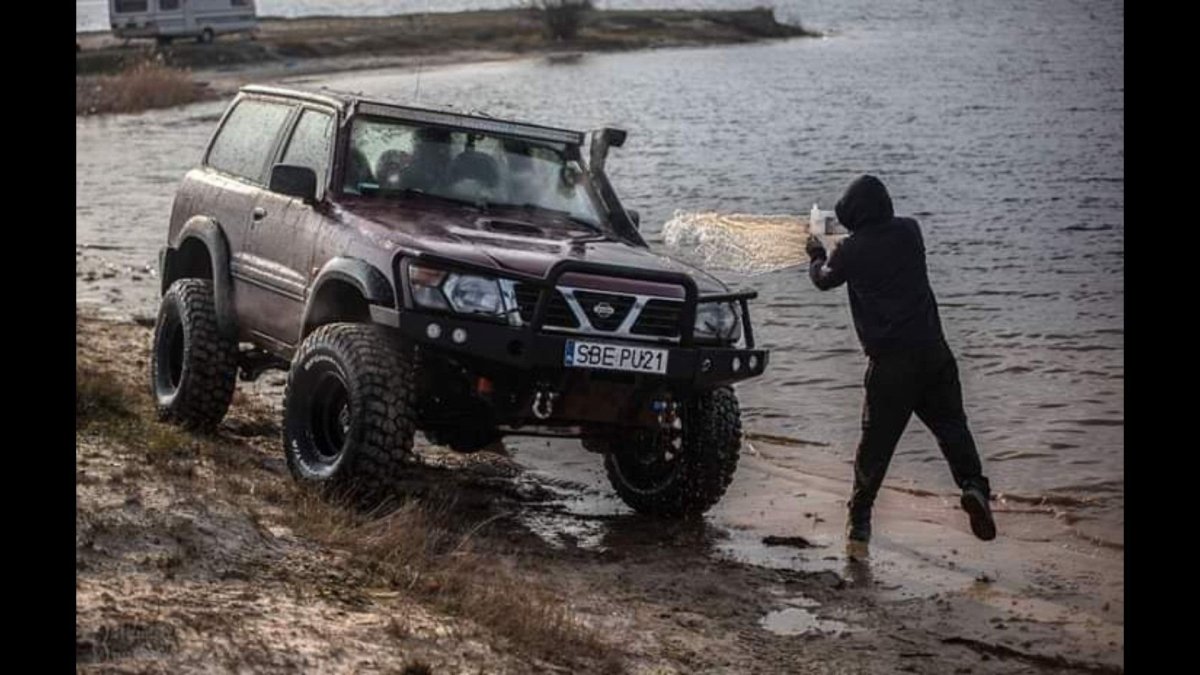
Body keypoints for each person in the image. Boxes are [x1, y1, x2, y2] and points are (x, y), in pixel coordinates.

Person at [805, 174, 996, 555]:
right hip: (934, 354)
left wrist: (815, 254)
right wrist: (837, 242)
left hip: (891, 366)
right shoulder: (910, 231)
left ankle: (860, 520)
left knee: (875, 447)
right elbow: (869, 243)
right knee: (952, 426)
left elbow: (825, 279)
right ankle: (973, 486)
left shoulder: (850, 251)